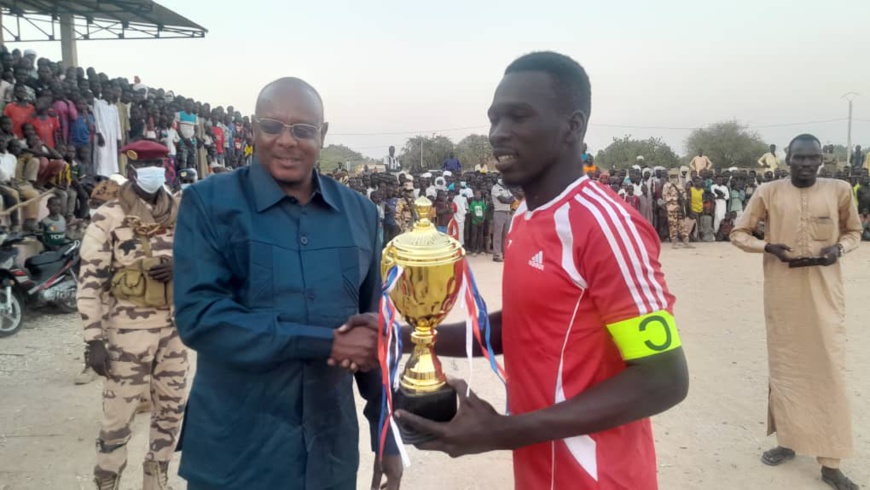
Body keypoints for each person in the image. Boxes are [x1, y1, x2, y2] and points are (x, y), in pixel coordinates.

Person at [374, 51, 688, 490]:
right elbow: (522, 328)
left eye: (518, 117)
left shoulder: (604, 225)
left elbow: (664, 379)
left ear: (572, 126)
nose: (498, 133)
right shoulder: (524, 217)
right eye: (494, 119)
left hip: (601, 478)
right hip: (539, 472)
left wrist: (503, 432)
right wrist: (402, 335)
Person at [171, 77, 401, 490]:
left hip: (329, 457)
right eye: (272, 126)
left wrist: (386, 434)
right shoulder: (208, 203)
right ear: (253, 129)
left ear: (322, 134)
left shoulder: (360, 214)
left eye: (303, 129)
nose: (286, 140)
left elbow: (372, 329)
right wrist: (326, 342)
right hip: (234, 459)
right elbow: (201, 318)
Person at [730, 134, 863, 490]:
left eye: (813, 158)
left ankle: (830, 463)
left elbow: (854, 232)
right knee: (786, 367)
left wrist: (839, 249)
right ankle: (787, 441)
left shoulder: (838, 190)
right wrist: (767, 247)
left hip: (825, 293)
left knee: (828, 370)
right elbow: (739, 233)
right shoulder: (768, 192)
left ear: (821, 160)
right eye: (800, 157)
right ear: (787, 159)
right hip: (782, 293)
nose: (806, 164)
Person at [77, 139, 187, 490]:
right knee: (118, 417)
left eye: (159, 165)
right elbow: (91, 280)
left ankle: (156, 482)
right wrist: (93, 340)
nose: (153, 172)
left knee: (171, 412)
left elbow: (204, 258)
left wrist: (180, 268)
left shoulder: (180, 213)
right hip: (127, 331)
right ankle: (107, 481)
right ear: (131, 170)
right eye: (145, 166)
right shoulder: (109, 216)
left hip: (173, 330)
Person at [93, 84, 121, 177]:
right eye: (107, 93)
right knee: (102, 154)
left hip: (112, 135)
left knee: (111, 156)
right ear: (103, 94)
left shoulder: (114, 107)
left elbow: (117, 123)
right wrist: (99, 133)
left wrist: (118, 138)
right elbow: (97, 119)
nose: (109, 95)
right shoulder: (98, 104)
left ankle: (110, 176)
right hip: (102, 134)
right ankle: (100, 175)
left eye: (110, 93)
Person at [662, 169, 692, 249]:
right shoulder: (666, 186)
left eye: (675, 176)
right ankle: (674, 243)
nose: (673, 178)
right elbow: (665, 197)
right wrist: (675, 198)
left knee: (683, 225)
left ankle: (686, 242)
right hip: (671, 208)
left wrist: (683, 200)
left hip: (680, 208)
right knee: (673, 225)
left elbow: (684, 195)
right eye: (672, 176)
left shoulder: (680, 185)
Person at [490, 176, 514, 262]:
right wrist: (509, 200)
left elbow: (513, 199)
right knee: (498, 235)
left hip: (507, 213)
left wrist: (509, 200)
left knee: (506, 235)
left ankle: (505, 254)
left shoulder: (506, 188)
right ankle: (496, 255)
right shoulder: (495, 188)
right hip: (499, 213)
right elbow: (503, 200)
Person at [468, 188, 486, 254]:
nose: (478, 195)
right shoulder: (473, 203)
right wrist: (477, 220)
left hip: (481, 222)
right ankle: (473, 250)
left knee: (480, 236)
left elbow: (484, 211)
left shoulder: (482, 203)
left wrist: (483, 219)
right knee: (474, 236)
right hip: (474, 222)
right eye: (476, 194)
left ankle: (480, 250)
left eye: (479, 194)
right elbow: (472, 213)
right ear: (474, 195)